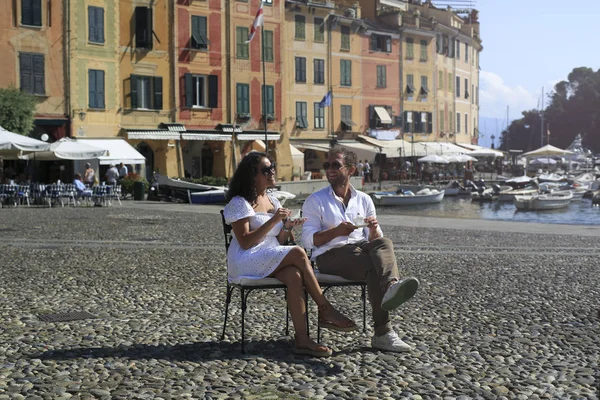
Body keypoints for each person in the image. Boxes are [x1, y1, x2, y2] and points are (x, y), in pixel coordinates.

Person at [223, 152, 357, 357]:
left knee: (295, 275)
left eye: (273, 167)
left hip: (268, 255)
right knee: (298, 252)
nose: (272, 172)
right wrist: (274, 220)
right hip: (245, 258)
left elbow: (279, 242)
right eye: (266, 169)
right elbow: (246, 241)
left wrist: (287, 228)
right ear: (253, 175)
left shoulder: (273, 200)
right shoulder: (240, 202)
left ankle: (302, 340)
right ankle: (325, 307)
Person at [301, 146, 419, 353]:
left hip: (360, 251)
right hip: (330, 255)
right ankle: (383, 332)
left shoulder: (364, 199)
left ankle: (391, 285)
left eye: (335, 165)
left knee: (384, 243)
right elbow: (309, 241)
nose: (329, 169)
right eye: (327, 165)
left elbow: (374, 240)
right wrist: (337, 231)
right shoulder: (316, 200)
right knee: (373, 265)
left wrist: (373, 229)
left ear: (351, 170)